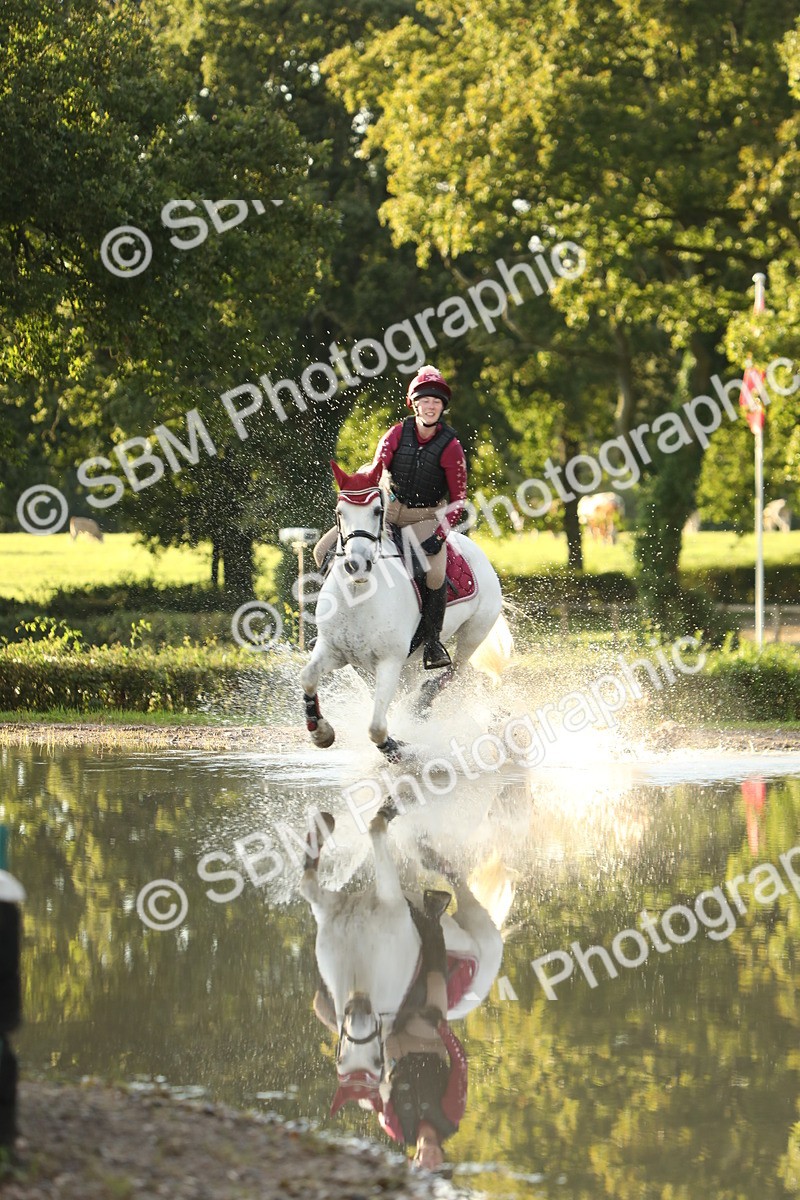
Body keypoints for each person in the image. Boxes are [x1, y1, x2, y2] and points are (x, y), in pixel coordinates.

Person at [313, 365, 467, 670]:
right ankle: (330, 628)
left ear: (442, 407)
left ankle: (432, 643)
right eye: (425, 401)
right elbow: (376, 470)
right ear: (414, 405)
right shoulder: (396, 434)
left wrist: (440, 535)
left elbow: (458, 500)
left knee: (435, 575)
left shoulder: (451, 447)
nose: (431, 406)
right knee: (321, 550)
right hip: (386, 512)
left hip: (424, 518)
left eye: (436, 402)